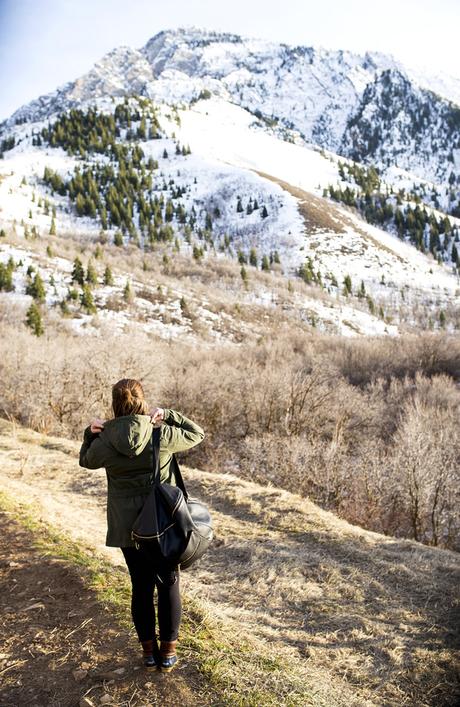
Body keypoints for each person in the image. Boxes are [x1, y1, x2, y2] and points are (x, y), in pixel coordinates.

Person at [79, 378, 205, 672]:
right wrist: (169, 415)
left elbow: (86, 460)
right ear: (142, 401)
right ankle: (169, 652)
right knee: (169, 582)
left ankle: (148, 654)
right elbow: (197, 433)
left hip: (127, 527)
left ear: (115, 404)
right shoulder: (160, 432)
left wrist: (90, 433)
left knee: (140, 585)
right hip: (162, 524)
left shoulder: (105, 439)